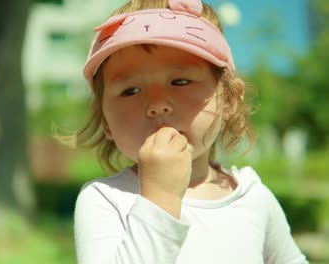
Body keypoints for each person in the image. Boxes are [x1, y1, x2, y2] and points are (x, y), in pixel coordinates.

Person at [73, 0, 308, 263]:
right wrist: (159, 199)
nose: (157, 104)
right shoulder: (105, 200)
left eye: (180, 82)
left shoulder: (253, 197)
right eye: (131, 90)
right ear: (104, 120)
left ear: (229, 101)